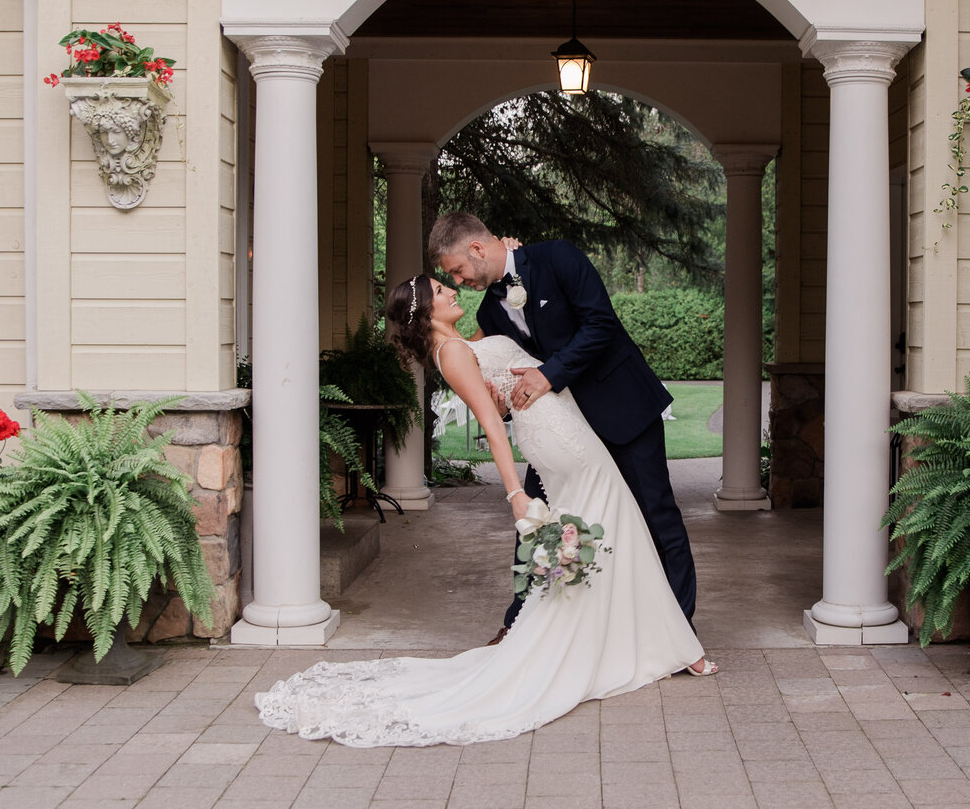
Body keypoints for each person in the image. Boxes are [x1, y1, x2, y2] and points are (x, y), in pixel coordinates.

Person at [253, 275, 716, 748]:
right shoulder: (451, 353)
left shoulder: (459, 342)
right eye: (440, 290)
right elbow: (491, 424)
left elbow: (504, 343)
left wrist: (510, 273)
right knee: (619, 524)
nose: (451, 292)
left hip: (556, 426)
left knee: (607, 533)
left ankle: (636, 643)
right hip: (560, 439)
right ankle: (669, 647)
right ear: (425, 309)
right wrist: (515, 493)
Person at [429, 212, 698, 641]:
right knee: (536, 519)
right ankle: (517, 625)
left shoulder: (557, 256)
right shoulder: (492, 311)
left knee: (656, 516)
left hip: (622, 408)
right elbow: (494, 370)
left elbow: (601, 325)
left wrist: (549, 374)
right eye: (451, 278)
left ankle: (679, 633)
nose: (459, 282)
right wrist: (500, 404)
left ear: (477, 249)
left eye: (457, 270)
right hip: (562, 430)